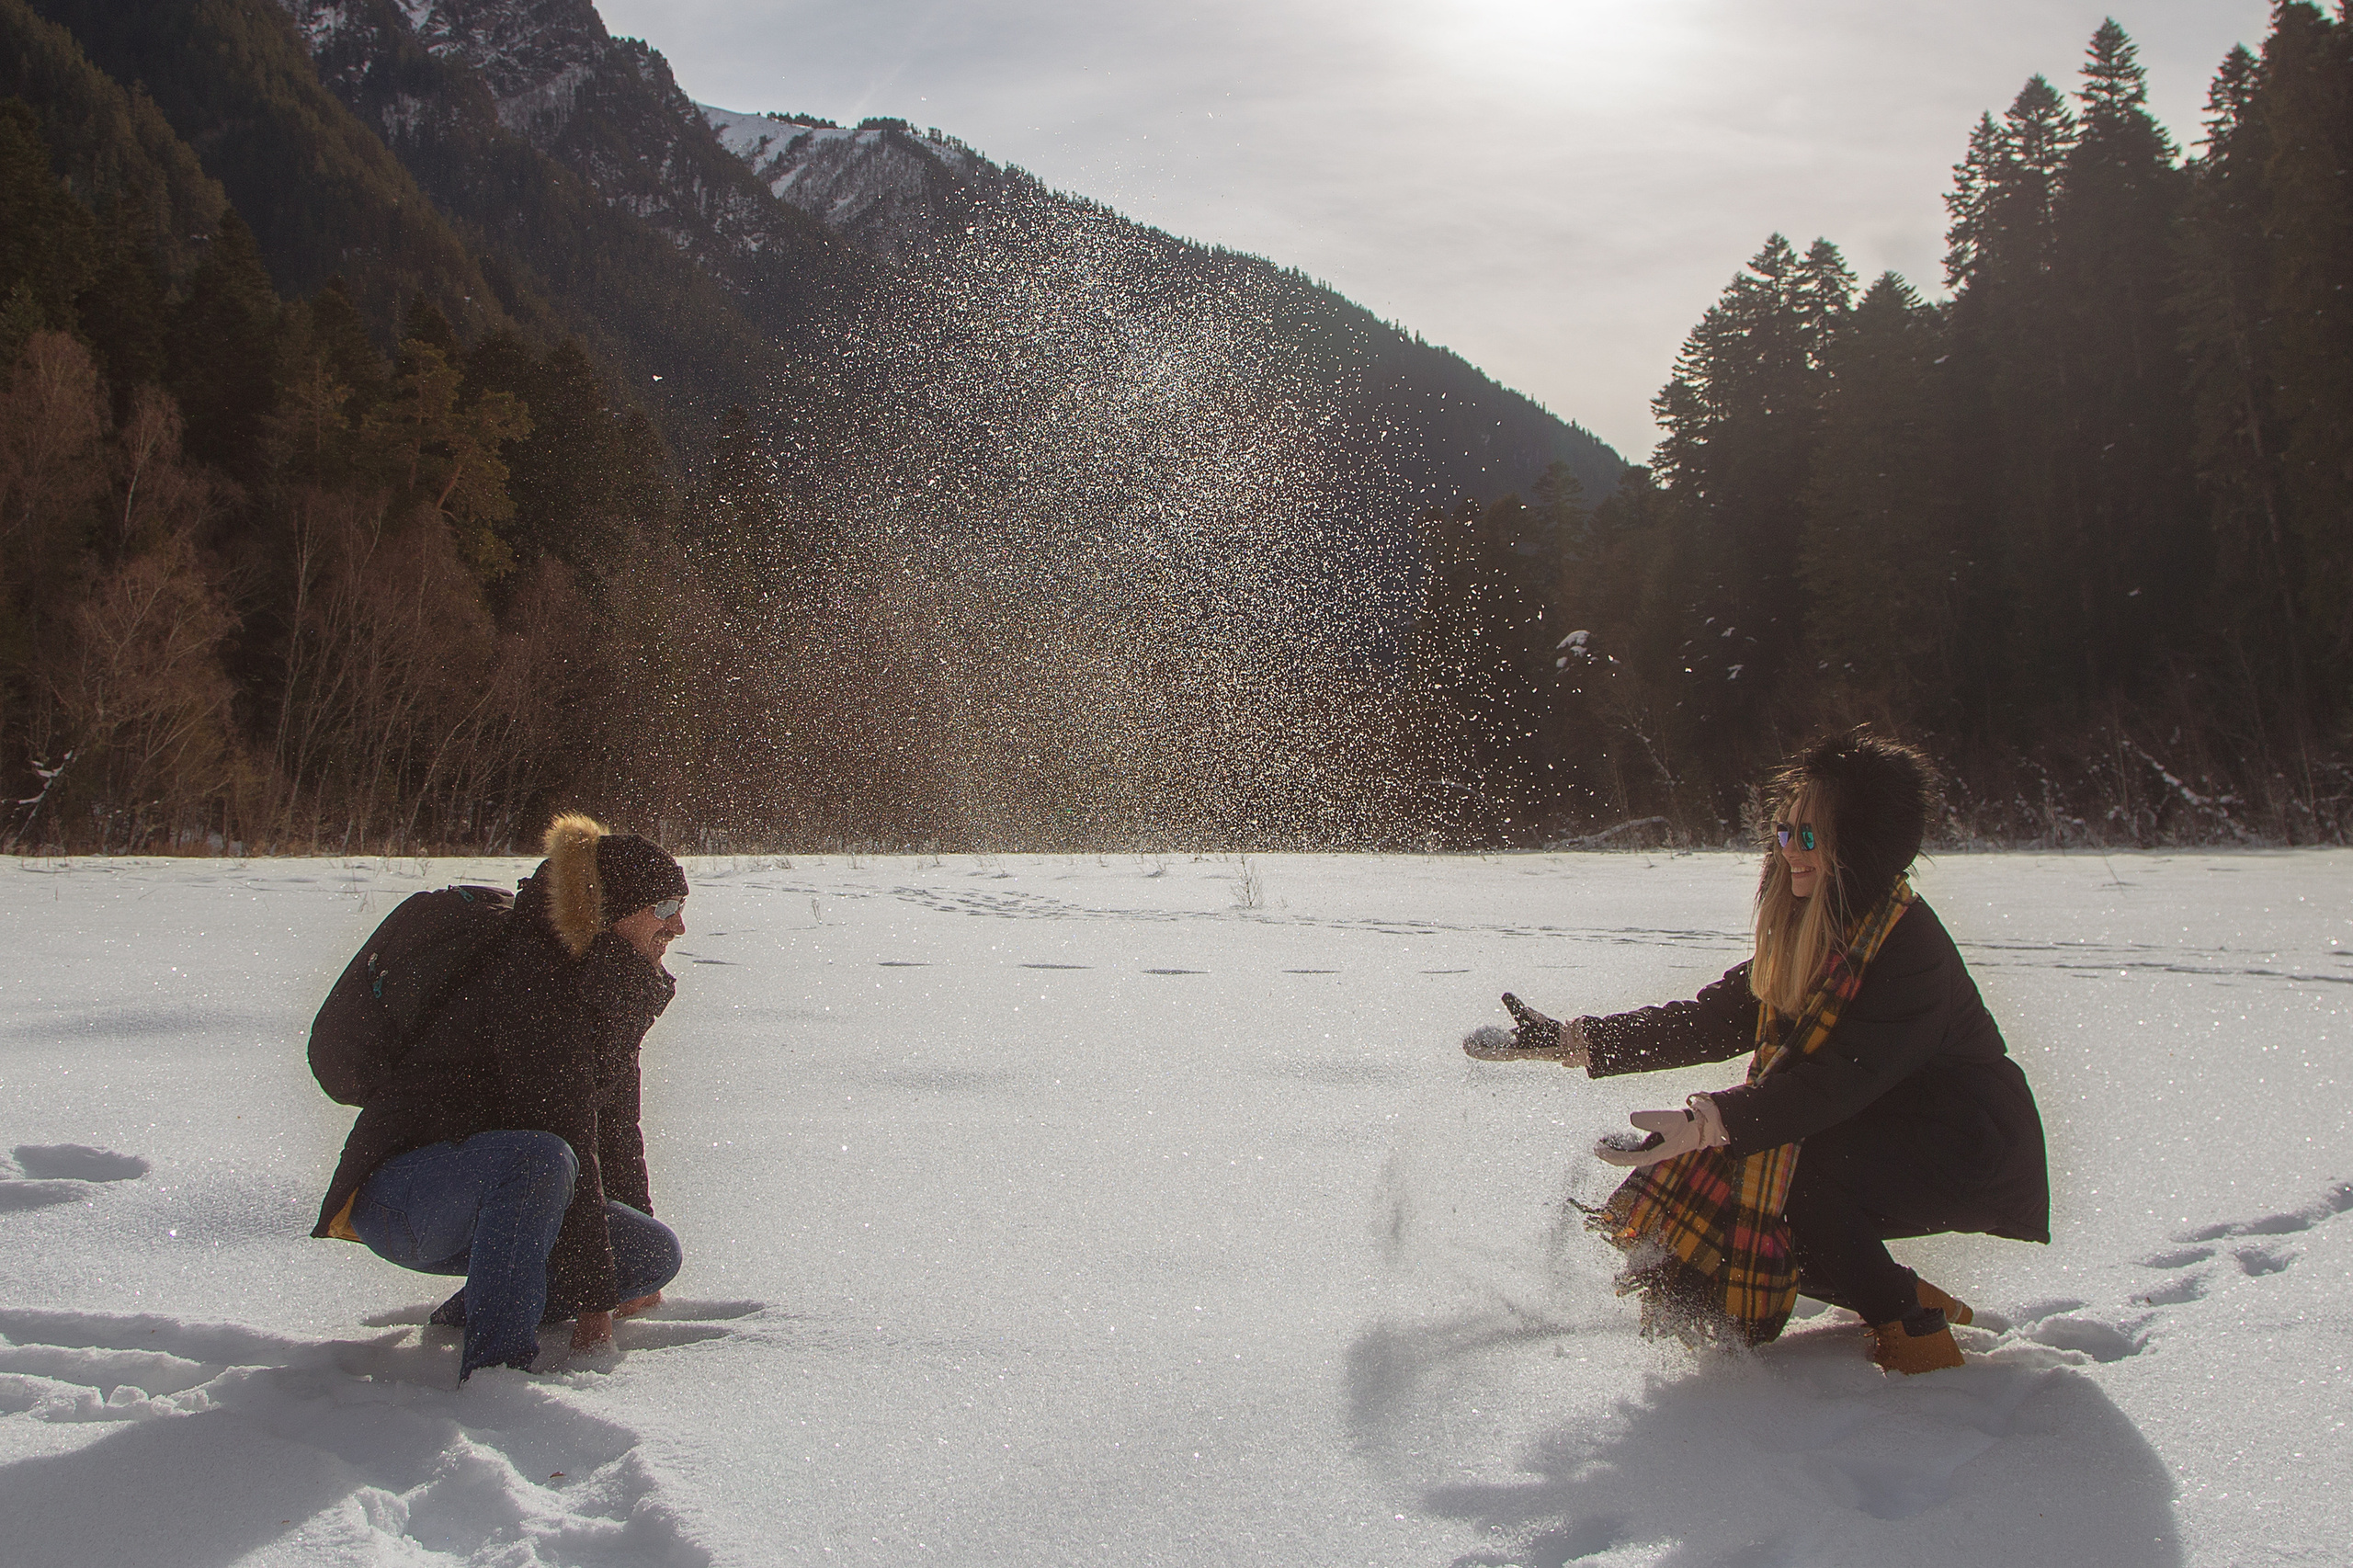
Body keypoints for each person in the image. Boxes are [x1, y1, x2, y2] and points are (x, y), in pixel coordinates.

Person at [1467, 730, 2049, 1373]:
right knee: (1757, 1200)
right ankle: (1897, 1290)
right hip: (1883, 1129)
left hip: (1971, 1145)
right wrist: (1573, 1040)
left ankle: (1911, 1331)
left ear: (1859, 847)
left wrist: (1709, 1125)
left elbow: (1836, 1083)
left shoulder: (1907, 952)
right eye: (1784, 832)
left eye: (1811, 837)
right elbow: (1710, 1021)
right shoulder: (1817, 931)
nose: (1791, 852)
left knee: (1790, 1171)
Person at [313, 813, 691, 1381]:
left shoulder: (607, 984)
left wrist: (622, 1274)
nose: (679, 927)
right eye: (664, 909)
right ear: (613, 912)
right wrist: (594, 1304)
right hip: (405, 1197)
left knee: (649, 1255)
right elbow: (567, 1136)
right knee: (538, 1157)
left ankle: (468, 1316)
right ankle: (496, 1370)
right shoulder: (531, 981)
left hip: (503, 1201)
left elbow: (613, 1127)